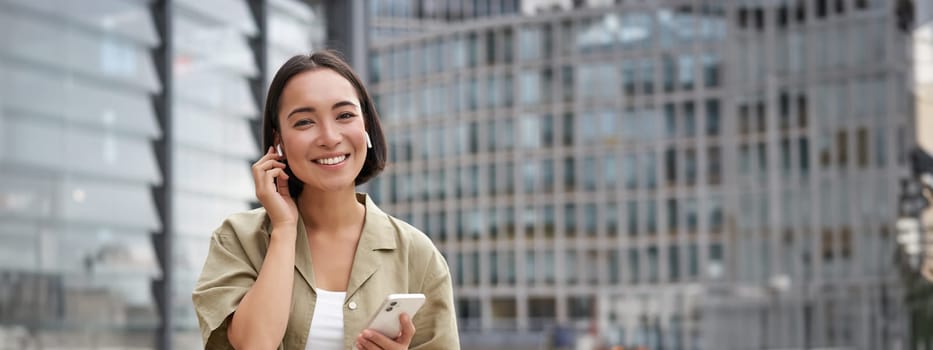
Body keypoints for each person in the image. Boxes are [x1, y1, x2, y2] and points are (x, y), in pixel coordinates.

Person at [192, 50, 459, 350]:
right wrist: (283, 229)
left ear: (366, 126)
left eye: (345, 115)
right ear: (278, 141)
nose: (330, 137)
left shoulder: (416, 254)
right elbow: (255, 345)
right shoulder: (239, 240)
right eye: (305, 122)